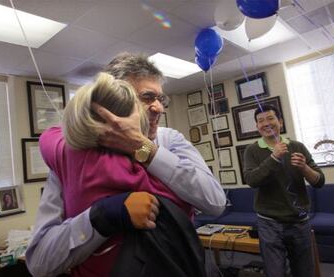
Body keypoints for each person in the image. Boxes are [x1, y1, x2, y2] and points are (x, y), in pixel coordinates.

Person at [26, 52, 226, 276]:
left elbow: (215, 202)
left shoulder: (170, 140)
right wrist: (99, 217)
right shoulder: (72, 158)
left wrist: (142, 148)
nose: (159, 108)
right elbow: (39, 263)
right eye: (147, 97)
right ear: (115, 99)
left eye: (161, 99)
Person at [243, 104, 325, 277]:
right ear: (257, 126)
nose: (266, 123)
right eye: (260, 121)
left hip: (299, 221)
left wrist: (304, 168)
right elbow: (251, 180)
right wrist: (274, 157)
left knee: (304, 271)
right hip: (268, 223)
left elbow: (319, 181)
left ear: (280, 121)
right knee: (275, 272)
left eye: (270, 118)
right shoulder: (252, 150)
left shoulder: (298, 146)